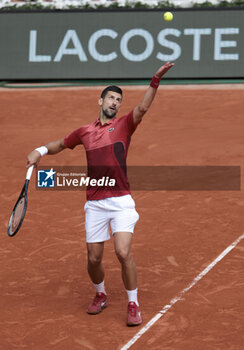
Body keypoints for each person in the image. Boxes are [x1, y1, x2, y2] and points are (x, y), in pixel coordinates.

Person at [26, 62, 174, 326]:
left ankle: (133, 302)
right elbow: (61, 144)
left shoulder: (124, 126)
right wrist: (39, 151)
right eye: (111, 98)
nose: (115, 103)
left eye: (119, 100)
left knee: (122, 251)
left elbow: (142, 108)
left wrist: (155, 80)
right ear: (101, 100)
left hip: (121, 202)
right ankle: (101, 294)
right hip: (94, 203)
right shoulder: (85, 132)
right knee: (93, 258)